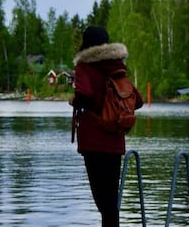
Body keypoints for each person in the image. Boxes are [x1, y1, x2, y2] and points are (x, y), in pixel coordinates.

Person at [70, 25, 143, 227]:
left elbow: (84, 94)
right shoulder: (117, 67)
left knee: (101, 199)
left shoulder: (84, 66)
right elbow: (137, 100)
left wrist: (76, 101)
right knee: (111, 201)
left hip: (93, 141)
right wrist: (112, 108)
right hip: (115, 140)